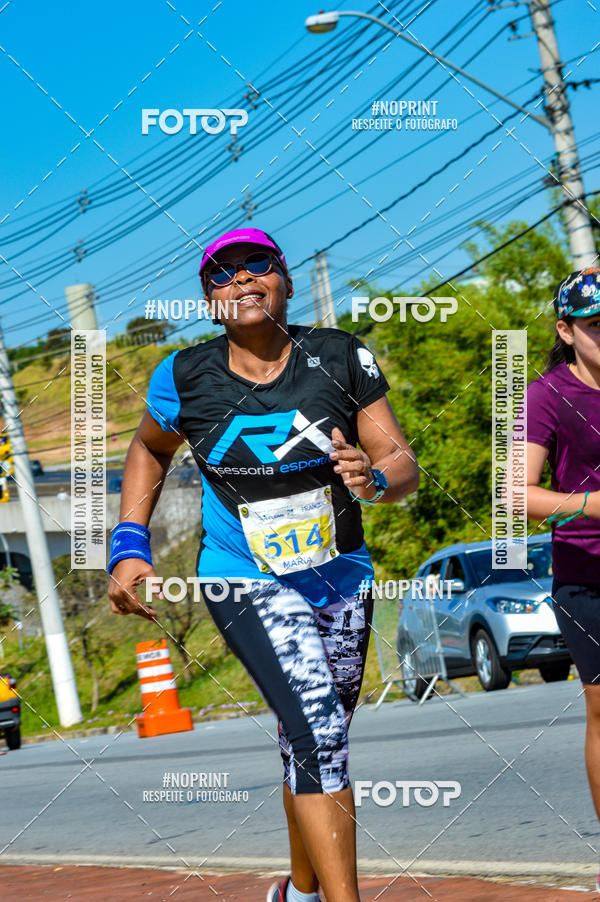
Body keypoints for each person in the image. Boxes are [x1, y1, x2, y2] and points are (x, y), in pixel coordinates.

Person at [107, 227, 419, 902]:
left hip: (340, 576)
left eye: (257, 266)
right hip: (241, 575)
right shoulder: (185, 377)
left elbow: (401, 463)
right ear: (208, 301)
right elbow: (149, 451)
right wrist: (129, 545)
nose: (241, 280)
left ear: (285, 279)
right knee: (317, 728)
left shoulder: (339, 356)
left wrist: (374, 478)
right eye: (222, 275)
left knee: (312, 740)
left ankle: (298, 892)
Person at [524, 266, 600, 891]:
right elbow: (516, 495)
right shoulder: (549, 393)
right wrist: (593, 504)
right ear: (567, 330)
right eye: (597, 327)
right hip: (585, 568)